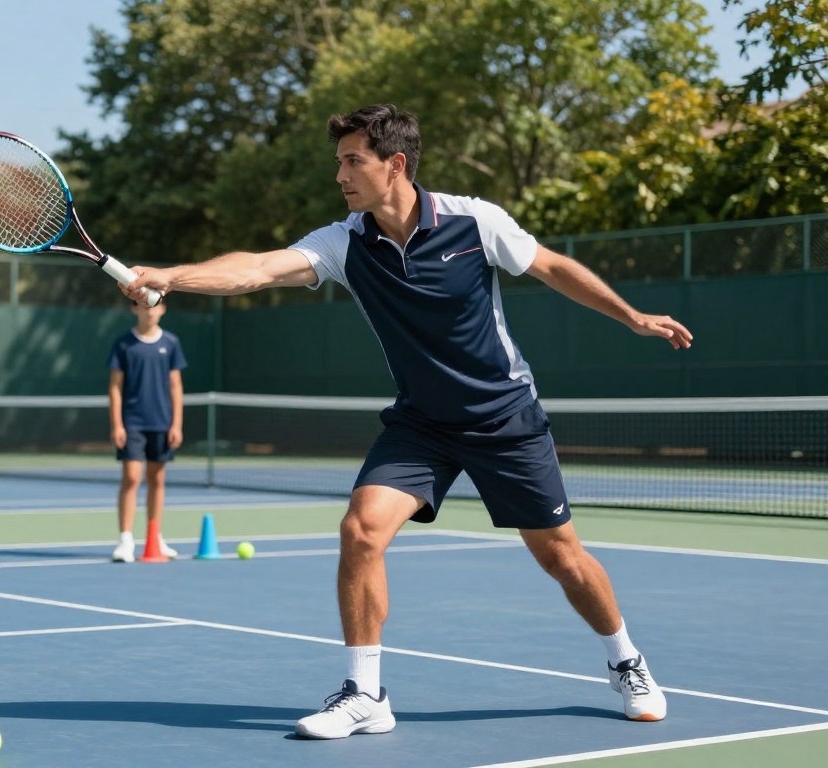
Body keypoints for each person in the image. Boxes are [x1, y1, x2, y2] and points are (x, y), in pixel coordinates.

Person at [123, 104, 692, 739]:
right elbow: (257, 268)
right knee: (361, 530)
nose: (340, 174)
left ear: (394, 164)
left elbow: (551, 266)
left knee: (562, 557)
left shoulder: (475, 221)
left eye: (352, 161)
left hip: (504, 416)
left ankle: (626, 660)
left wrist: (633, 317)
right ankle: (365, 693)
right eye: (338, 161)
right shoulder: (344, 241)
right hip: (422, 423)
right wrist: (173, 275)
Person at [107, 298, 187, 562]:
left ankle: (155, 536)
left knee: (158, 479)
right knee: (131, 477)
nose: (150, 310)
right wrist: (117, 423)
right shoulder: (123, 344)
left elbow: (175, 386)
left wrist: (176, 424)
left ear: (163, 309)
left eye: (155, 305)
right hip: (133, 422)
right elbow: (115, 387)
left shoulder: (171, 343)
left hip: (162, 423)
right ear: (135, 309)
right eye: (145, 306)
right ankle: (125, 540)